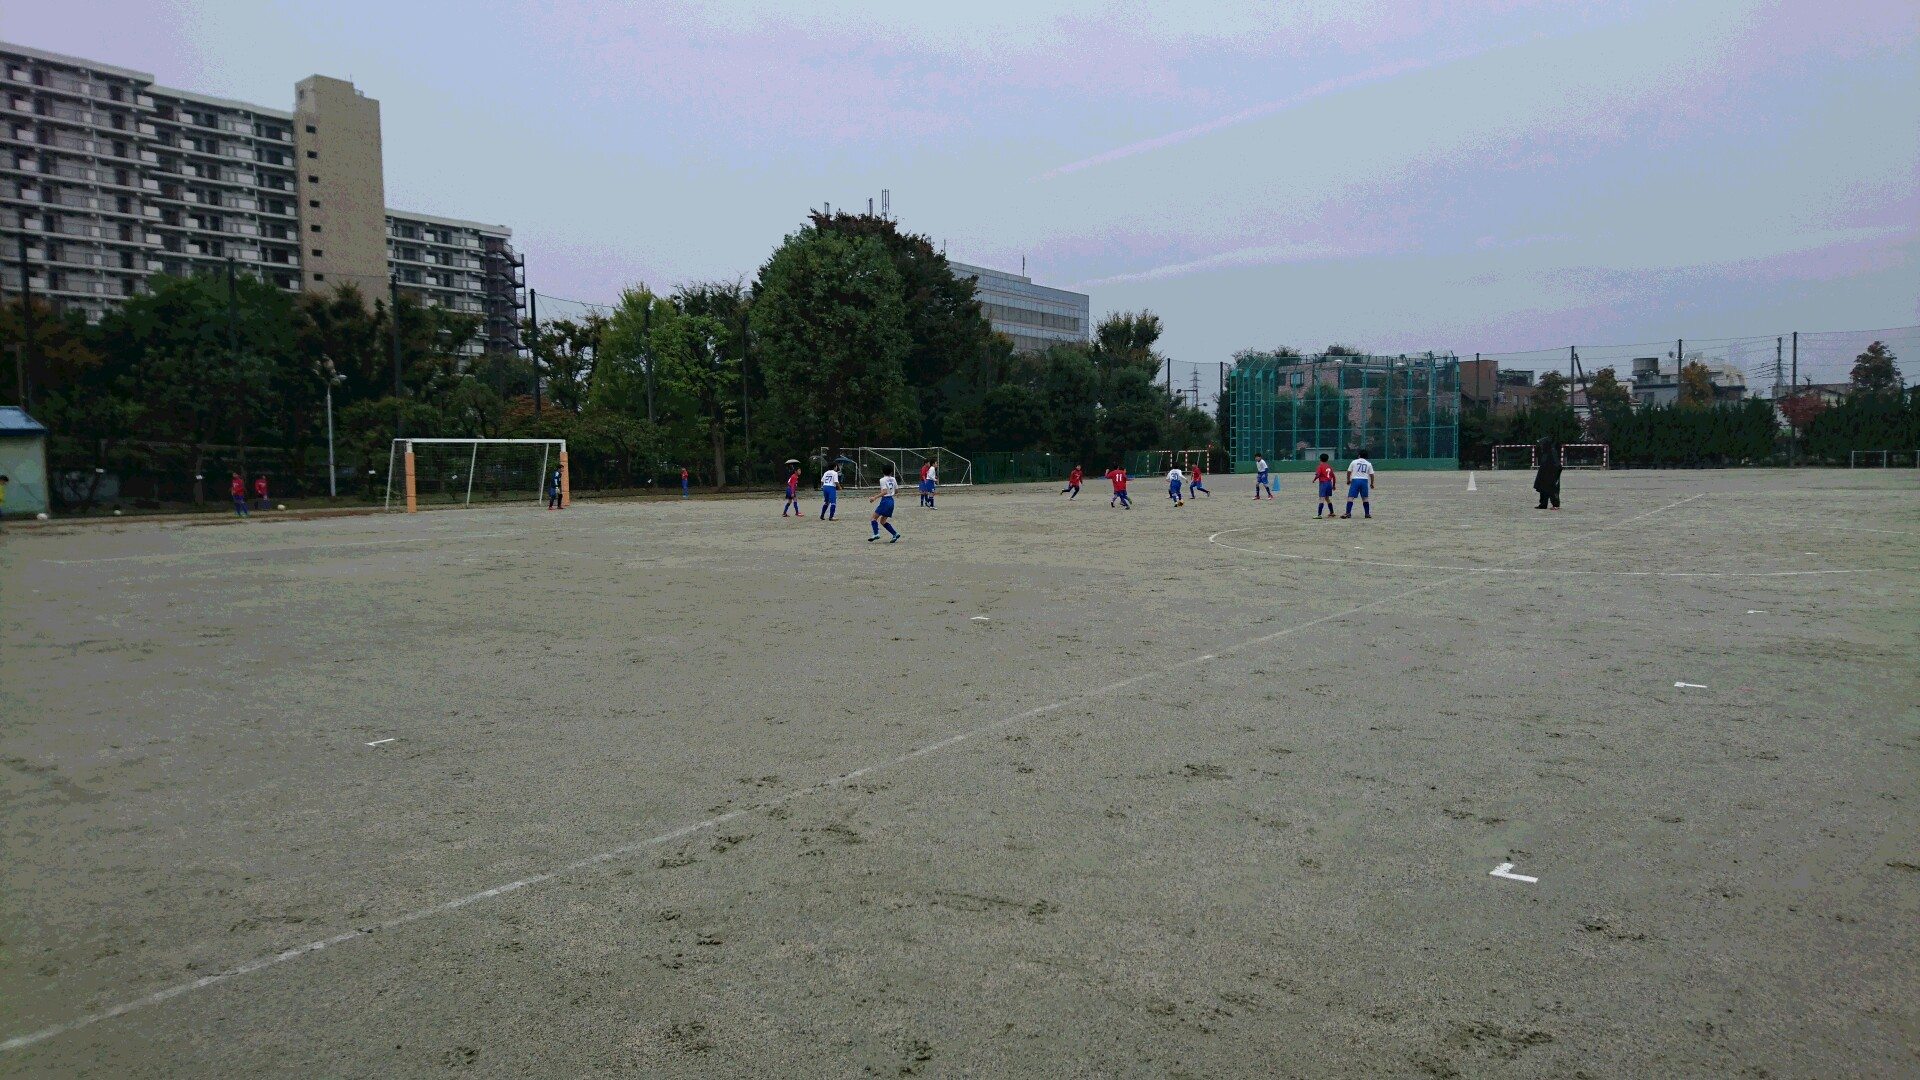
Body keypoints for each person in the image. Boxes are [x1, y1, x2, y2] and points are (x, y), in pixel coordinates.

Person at [868, 465, 902, 543]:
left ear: (882, 472)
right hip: (891, 501)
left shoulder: (882, 480)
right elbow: (897, 491)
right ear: (891, 472)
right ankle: (895, 534)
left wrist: (874, 497)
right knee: (882, 521)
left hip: (885, 500)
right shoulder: (893, 479)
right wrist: (891, 493)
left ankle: (876, 534)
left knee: (873, 518)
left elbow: (885, 492)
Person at [1341, 451, 1374, 519]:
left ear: (1359, 455)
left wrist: (1348, 480)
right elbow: (1372, 474)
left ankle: (1348, 513)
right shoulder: (1368, 463)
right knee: (1365, 498)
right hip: (1364, 481)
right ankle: (1367, 514)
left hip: (1355, 480)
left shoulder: (1354, 462)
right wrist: (1372, 483)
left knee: (1351, 497)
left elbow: (1349, 471)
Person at [1534, 438, 1563, 510]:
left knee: (1552, 489)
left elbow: (1558, 466)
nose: (1541, 446)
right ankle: (1543, 504)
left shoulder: (1552, 451)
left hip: (1551, 474)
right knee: (1543, 489)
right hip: (1544, 474)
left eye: (1542, 444)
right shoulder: (1545, 452)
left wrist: (1555, 476)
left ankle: (1556, 505)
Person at [1313, 454, 1338, 519]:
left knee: (1322, 498)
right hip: (1329, 483)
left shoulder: (1320, 466)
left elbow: (1318, 475)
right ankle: (1332, 512)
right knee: (1327, 498)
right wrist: (1333, 485)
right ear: (1327, 460)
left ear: (1320, 459)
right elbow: (1333, 476)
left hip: (1323, 483)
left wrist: (1314, 479)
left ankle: (1319, 515)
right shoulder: (1329, 467)